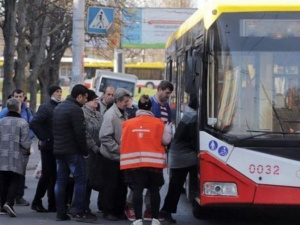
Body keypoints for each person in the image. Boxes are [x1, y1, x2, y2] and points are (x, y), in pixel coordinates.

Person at [126, 80, 174, 221]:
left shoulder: (166, 108)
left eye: (169, 94)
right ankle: (141, 209)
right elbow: (159, 131)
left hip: (155, 150)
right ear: (159, 89)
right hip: (152, 149)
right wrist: (166, 132)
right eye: (166, 93)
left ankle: (145, 211)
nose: (168, 96)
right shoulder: (152, 106)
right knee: (146, 185)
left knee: (145, 185)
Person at [53, 84, 96, 222]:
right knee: (80, 180)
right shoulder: (76, 110)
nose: (85, 100)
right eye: (85, 97)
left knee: (61, 181)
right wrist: (85, 151)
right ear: (79, 96)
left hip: (59, 150)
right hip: (73, 151)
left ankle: (60, 211)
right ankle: (78, 210)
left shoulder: (59, 107)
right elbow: (80, 133)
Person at [159, 95, 199, 224]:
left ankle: (166, 211)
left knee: (175, 186)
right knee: (175, 187)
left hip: (179, 156)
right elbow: (195, 141)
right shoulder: (194, 118)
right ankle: (166, 212)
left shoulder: (188, 115)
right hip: (183, 158)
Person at [99, 88, 130, 221]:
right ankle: (109, 211)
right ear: (117, 101)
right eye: (125, 101)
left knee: (121, 186)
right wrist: (119, 149)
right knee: (111, 185)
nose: (127, 103)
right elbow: (104, 137)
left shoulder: (122, 113)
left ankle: (118, 210)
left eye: (127, 101)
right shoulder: (111, 115)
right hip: (111, 157)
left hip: (119, 157)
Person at [30, 85, 62, 213]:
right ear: (51, 94)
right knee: (47, 175)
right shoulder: (46, 107)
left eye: (60, 91)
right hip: (48, 147)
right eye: (56, 92)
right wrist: (45, 138)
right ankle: (37, 201)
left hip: (56, 145)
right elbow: (34, 123)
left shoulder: (59, 106)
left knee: (54, 175)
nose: (59, 94)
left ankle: (52, 203)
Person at [0, 88, 35, 206]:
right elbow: (26, 142)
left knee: (4, 179)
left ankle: (2, 204)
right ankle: (9, 203)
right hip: (18, 153)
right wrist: (27, 149)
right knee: (16, 178)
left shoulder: (1, 121)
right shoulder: (22, 123)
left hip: (3, 152)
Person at [82, 90, 103, 214]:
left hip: (99, 152)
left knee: (94, 179)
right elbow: (83, 133)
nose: (96, 101)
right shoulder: (82, 113)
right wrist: (94, 146)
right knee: (85, 180)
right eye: (94, 99)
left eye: (97, 99)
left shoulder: (99, 115)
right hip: (87, 152)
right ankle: (83, 205)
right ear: (87, 101)